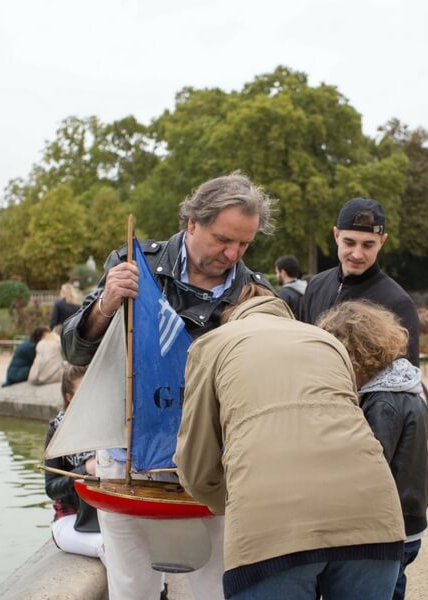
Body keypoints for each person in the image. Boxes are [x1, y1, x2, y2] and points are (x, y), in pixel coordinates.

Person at [62, 173, 276, 600]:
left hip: (213, 463)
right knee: (130, 587)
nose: (233, 254)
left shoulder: (256, 293)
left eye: (245, 244)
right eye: (223, 239)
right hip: (127, 457)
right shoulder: (131, 262)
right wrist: (106, 304)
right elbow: (74, 349)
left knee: (215, 588)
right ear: (192, 222)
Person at [175, 289, 405, 600]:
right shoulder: (325, 340)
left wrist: (229, 501)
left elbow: (196, 465)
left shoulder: (212, 344)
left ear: (228, 316)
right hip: (371, 513)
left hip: (271, 522)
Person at [317, 300, 428, 600]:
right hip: (412, 512)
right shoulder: (404, 387)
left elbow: (372, 466)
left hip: (393, 523)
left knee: (385, 585)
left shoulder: (383, 401)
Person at [300, 197, 421, 366]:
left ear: (382, 241)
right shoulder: (315, 286)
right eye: (349, 242)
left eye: (367, 245)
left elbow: (406, 382)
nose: (357, 254)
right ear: (336, 235)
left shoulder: (398, 303)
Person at [44, 364, 104, 560]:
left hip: (109, 514)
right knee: (109, 547)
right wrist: (85, 470)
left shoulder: (108, 424)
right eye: (82, 393)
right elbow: (52, 488)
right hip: (71, 517)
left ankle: (159, 592)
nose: (90, 399)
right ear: (69, 398)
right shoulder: (57, 430)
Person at [274, 254, 306, 318]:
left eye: (277, 272)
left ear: (283, 272)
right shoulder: (307, 287)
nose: (276, 276)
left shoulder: (284, 294)